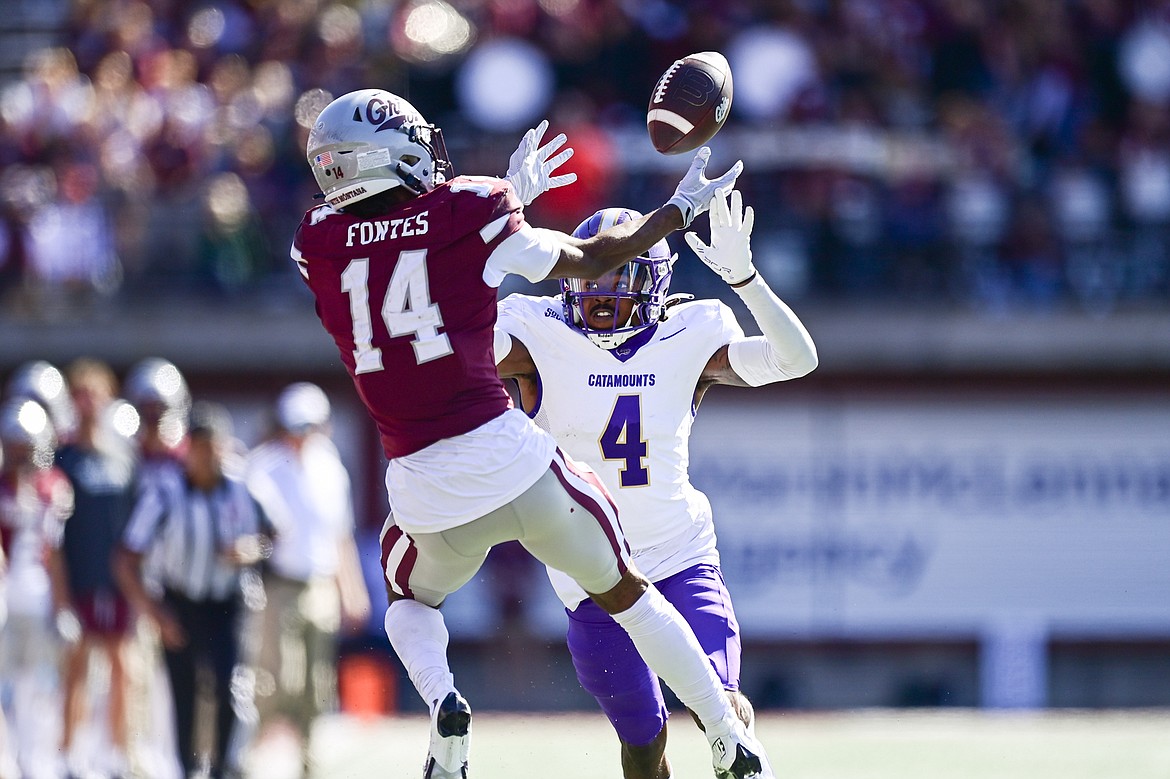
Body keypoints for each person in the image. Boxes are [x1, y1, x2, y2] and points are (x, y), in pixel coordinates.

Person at [291, 87, 767, 779]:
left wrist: (498, 205)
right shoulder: (468, 207)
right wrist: (674, 211)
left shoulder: (317, 243)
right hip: (515, 462)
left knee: (410, 599)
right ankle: (726, 733)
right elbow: (587, 260)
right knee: (629, 590)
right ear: (392, 154)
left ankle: (443, 699)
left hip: (423, 484)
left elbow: (407, 262)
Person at [495, 191, 817, 778]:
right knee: (644, 743)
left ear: (656, 282)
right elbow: (447, 354)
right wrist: (489, 250)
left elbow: (797, 360)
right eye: (595, 272)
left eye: (621, 275)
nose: (603, 290)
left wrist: (745, 279)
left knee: (723, 706)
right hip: (590, 571)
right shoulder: (533, 332)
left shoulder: (690, 333)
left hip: (678, 552)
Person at [113, 401, 269, 779]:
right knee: (183, 692)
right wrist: (155, 612)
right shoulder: (165, 492)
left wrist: (251, 549)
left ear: (223, 446)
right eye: (197, 447)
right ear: (187, 448)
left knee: (229, 687)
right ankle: (185, 769)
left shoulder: (242, 486)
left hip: (227, 603)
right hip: (179, 601)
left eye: (211, 446)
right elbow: (125, 559)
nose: (205, 456)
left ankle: (220, 769)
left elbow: (276, 536)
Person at [242, 381, 370, 774]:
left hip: (320, 585)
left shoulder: (329, 465)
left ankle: (308, 759)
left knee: (317, 681)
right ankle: (253, 750)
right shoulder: (263, 465)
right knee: (277, 678)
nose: (301, 438)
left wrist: (353, 590)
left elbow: (339, 534)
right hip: (277, 586)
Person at [48, 358, 140, 777]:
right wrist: (61, 594)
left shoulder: (123, 458)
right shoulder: (62, 458)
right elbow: (56, 536)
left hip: (117, 581)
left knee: (123, 667)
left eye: (95, 395)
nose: (88, 404)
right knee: (77, 668)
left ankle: (115, 753)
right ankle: (69, 753)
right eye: (80, 395)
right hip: (80, 576)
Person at [0, 397, 73, 779]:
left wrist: (62, 606)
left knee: (35, 684)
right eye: (14, 446)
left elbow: (54, 552)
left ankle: (32, 757)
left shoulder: (53, 486)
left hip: (38, 598)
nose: (20, 454)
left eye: (25, 446)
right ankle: (7, 758)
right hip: (5, 596)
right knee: (5, 681)